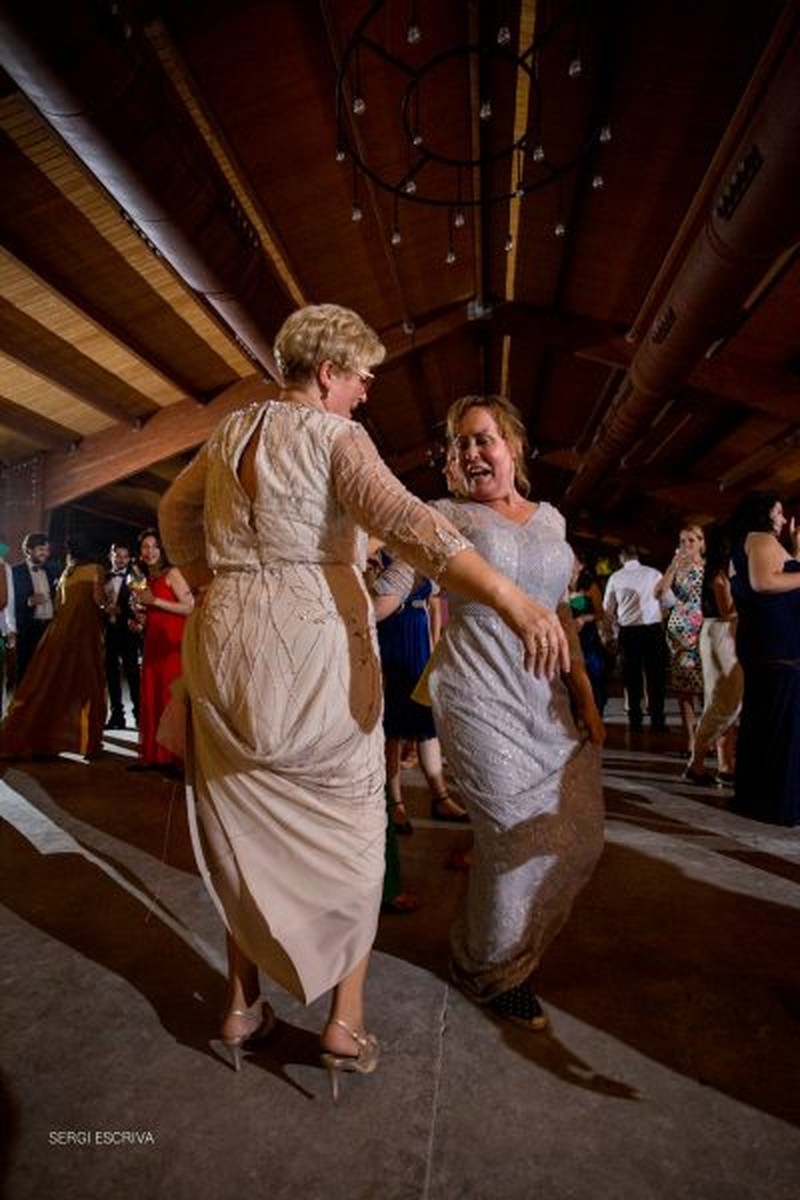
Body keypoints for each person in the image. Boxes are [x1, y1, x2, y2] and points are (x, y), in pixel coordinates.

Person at [158, 306, 568, 1095]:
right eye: (360, 373)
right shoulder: (336, 439)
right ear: (326, 373)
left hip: (225, 638)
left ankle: (242, 1008)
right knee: (352, 828)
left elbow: (176, 514)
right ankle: (343, 1023)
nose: (367, 387)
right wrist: (517, 603)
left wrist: (218, 583)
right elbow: (414, 526)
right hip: (310, 644)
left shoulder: (229, 431)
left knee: (244, 825)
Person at [374, 394, 605, 1030]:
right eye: (461, 445)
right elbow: (387, 597)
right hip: (474, 693)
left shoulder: (552, 521)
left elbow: (557, 608)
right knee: (509, 835)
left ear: (514, 447)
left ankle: (496, 945)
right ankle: (488, 970)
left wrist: (583, 691)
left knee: (579, 837)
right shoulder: (442, 517)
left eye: (483, 440)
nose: (472, 453)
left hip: (544, 697)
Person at [373, 548, 467, 835]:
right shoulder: (376, 553)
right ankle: (395, 803)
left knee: (426, 724)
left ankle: (440, 797)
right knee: (393, 728)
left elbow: (434, 603)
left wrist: (434, 644)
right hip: (390, 637)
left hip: (418, 639)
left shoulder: (420, 553)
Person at [727, 492, 800, 826]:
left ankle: (757, 796)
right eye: (779, 512)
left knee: (766, 719)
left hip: (767, 642)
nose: (783, 519)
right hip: (778, 644)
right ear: (763, 513)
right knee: (782, 724)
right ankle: (777, 802)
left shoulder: (757, 541)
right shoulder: (759, 538)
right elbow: (764, 582)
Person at [0, 534, 106, 758]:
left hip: (56, 633)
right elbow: (99, 602)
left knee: (44, 683)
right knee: (86, 685)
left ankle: (40, 734)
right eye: (42, 550)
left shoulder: (65, 572)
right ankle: (84, 741)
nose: (46, 554)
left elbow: (59, 604)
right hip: (80, 635)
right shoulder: (95, 570)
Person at [683, 524, 742, 786]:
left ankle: (723, 764)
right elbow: (727, 610)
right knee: (726, 700)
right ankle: (695, 763)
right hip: (721, 634)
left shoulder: (717, 570)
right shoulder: (718, 574)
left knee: (720, 699)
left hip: (714, 633)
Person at [130, 528, 193, 771]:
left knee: (169, 698)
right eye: (145, 547)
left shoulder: (172, 573)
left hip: (172, 644)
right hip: (153, 642)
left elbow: (190, 607)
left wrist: (154, 601)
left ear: (163, 549)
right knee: (152, 694)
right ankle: (154, 756)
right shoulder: (148, 579)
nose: (149, 551)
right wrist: (141, 619)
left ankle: (173, 758)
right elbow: (157, 612)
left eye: (154, 546)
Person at [603, 544, 668, 732]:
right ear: (637, 556)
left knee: (632, 677)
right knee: (655, 676)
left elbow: (608, 610)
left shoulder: (615, 577)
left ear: (621, 558)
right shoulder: (654, 574)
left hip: (629, 632)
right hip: (652, 630)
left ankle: (635, 721)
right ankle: (657, 721)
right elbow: (669, 600)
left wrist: (609, 635)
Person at [655, 525, 706, 756]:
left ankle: (708, 739)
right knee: (684, 688)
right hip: (679, 633)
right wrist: (674, 564)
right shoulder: (676, 567)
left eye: (692, 541)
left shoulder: (708, 568)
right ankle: (691, 740)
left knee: (708, 687)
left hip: (703, 630)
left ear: (702, 543)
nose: (687, 545)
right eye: (683, 541)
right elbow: (659, 592)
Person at [11, 532, 59, 685]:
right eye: (41, 549)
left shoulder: (51, 571)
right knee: (25, 670)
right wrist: (28, 601)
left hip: (48, 628)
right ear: (28, 550)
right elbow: (7, 603)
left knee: (46, 671)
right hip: (27, 629)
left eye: (47, 549)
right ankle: (22, 707)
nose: (45, 553)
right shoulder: (15, 572)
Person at [103, 541, 142, 729]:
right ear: (111, 555)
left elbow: (142, 604)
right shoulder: (102, 576)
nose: (121, 560)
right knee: (111, 675)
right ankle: (117, 716)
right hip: (108, 632)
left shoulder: (136, 575)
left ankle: (140, 716)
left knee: (133, 674)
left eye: (125, 556)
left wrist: (124, 612)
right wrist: (104, 608)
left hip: (128, 632)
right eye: (118, 555)